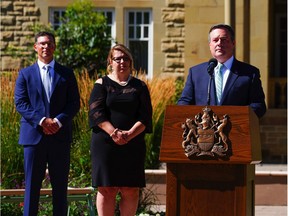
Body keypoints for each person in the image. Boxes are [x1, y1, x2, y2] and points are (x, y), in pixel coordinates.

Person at [14, 31, 80, 216]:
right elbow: (21, 103)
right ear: (35, 47)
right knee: (32, 188)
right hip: (34, 138)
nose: (46, 47)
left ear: (55, 47)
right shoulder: (25, 74)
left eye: (50, 44)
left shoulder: (67, 74)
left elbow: (74, 103)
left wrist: (58, 122)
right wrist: (42, 121)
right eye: (42, 44)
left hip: (60, 138)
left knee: (60, 188)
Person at [88, 44, 153, 216]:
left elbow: (145, 117)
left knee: (130, 189)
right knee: (106, 189)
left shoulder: (140, 86)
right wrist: (114, 133)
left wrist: (129, 134)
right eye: (118, 59)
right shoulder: (101, 84)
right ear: (110, 61)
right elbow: (96, 113)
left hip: (133, 144)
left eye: (126, 59)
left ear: (131, 62)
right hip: (106, 144)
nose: (122, 62)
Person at [177, 24, 266, 118]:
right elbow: (184, 103)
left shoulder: (250, 73)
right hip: (203, 130)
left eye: (224, 39)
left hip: (236, 130)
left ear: (233, 43)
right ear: (210, 45)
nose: (219, 43)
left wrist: (235, 117)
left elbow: (259, 106)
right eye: (215, 40)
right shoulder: (195, 73)